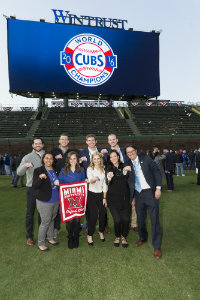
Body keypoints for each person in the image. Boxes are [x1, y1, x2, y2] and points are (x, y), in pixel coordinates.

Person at [125, 144, 162, 259]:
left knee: (154, 220)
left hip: (150, 192)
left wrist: (158, 188)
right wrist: (132, 197)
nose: (131, 154)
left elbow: (157, 172)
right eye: (128, 152)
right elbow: (129, 182)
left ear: (136, 150)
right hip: (138, 194)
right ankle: (142, 238)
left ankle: (156, 247)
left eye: (132, 151)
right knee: (140, 219)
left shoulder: (146, 159)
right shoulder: (128, 164)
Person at [79, 134, 111, 234]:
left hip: (101, 183)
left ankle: (105, 224)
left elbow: (106, 164)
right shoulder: (82, 153)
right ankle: (89, 225)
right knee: (90, 207)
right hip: (89, 183)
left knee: (103, 205)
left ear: (96, 141)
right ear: (86, 142)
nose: (91, 142)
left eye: (93, 140)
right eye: (89, 140)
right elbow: (78, 166)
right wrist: (80, 161)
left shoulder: (103, 150)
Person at [17, 138, 45, 246]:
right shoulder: (27, 157)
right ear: (33, 145)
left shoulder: (47, 155)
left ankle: (42, 235)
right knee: (30, 213)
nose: (38, 145)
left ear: (42, 145)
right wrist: (25, 165)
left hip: (44, 189)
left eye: (39, 143)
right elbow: (19, 172)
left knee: (42, 213)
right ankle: (29, 236)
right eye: (35, 143)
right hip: (32, 188)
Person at [58, 151, 86, 249]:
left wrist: (86, 182)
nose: (73, 160)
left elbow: (84, 184)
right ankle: (70, 237)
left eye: (74, 158)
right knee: (69, 221)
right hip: (67, 201)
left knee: (77, 220)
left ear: (77, 159)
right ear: (68, 160)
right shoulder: (63, 171)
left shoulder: (81, 170)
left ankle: (76, 237)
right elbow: (60, 185)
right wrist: (57, 182)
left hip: (78, 200)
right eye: (71, 159)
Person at [32, 152, 60, 251]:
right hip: (44, 201)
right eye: (46, 158)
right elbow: (34, 186)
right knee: (45, 222)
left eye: (51, 158)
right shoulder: (38, 170)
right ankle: (41, 243)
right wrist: (40, 178)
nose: (49, 160)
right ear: (43, 159)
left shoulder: (56, 170)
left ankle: (50, 238)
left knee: (52, 219)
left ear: (53, 160)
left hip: (56, 199)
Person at [106, 150, 131, 248]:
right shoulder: (108, 168)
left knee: (125, 219)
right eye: (111, 157)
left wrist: (126, 171)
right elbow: (106, 182)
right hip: (113, 199)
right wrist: (108, 178)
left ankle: (123, 236)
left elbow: (128, 179)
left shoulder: (124, 166)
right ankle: (117, 236)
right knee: (117, 220)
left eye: (115, 156)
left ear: (118, 156)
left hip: (125, 198)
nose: (113, 158)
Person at [51, 133, 71, 237]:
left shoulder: (71, 151)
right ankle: (56, 228)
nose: (64, 141)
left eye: (66, 139)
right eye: (62, 139)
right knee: (56, 206)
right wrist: (55, 159)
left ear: (68, 141)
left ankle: (70, 228)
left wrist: (62, 159)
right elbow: (49, 163)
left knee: (69, 205)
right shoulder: (53, 151)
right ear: (59, 141)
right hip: (57, 183)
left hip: (68, 182)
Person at [87, 152, 107, 246]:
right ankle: (89, 234)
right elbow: (90, 180)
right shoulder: (90, 169)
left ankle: (101, 231)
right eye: (94, 159)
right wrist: (93, 179)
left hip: (101, 195)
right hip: (91, 194)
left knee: (103, 214)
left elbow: (105, 184)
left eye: (98, 158)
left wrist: (104, 197)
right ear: (92, 160)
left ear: (101, 159)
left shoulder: (104, 168)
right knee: (94, 215)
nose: (96, 160)